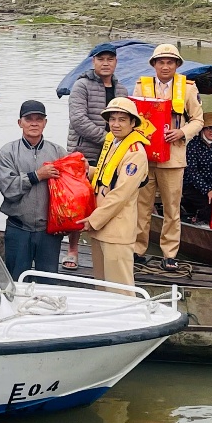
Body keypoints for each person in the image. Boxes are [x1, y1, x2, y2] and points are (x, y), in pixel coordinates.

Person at [133, 43, 204, 271]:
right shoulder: (140, 87)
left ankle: (169, 254)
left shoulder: (189, 89)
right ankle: (137, 250)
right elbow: (132, 118)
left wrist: (182, 132)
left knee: (172, 209)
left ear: (177, 65)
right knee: (141, 207)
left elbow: (198, 120)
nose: (165, 66)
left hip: (173, 159)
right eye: (161, 62)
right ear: (154, 65)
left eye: (170, 62)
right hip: (145, 158)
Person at [63, 42, 128, 271]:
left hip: (114, 155)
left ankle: (101, 247)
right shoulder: (81, 85)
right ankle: (72, 249)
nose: (106, 63)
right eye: (101, 59)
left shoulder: (122, 90)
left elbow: (128, 122)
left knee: (106, 201)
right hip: (84, 153)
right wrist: (109, 139)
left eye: (110, 59)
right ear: (93, 61)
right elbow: (78, 120)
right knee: (78, 202)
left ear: (116, 62)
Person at [78, 97, 150, 296]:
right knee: (102, 289)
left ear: (133, 123)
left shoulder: (135, 153)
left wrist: (94, 220)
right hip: (100, 227)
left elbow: (121, 194)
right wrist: (89, 170)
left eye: (122, 120)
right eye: (112, 119)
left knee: (121, 291)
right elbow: (107, 175)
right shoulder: (114, 143)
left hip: (116, 229)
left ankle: (130, 323)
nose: (116, 124)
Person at [0, 99, 68, 280]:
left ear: (45, 123)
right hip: (18, 228)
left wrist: (64, 223)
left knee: (49, 284)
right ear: (20, 123)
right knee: (16, 281)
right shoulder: (7, 153)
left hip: (49, 232)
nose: (34, 123)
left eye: (39, 119)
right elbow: (9, 190)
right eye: (29, 119)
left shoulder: (59, 153)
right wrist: (37, 175)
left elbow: (69, 193)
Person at [181, 112, 212, 224]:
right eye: (210, 128)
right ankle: (199, 221)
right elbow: (192, 172)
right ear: (202, 129)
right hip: (193, 187)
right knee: (209, 205)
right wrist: (208, 190)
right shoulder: (193, 146)